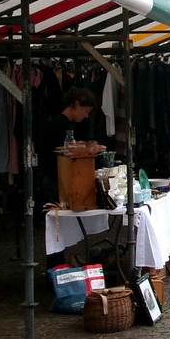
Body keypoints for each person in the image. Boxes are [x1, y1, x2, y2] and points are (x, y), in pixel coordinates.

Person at [38, 86, 96, 268]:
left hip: (56, 178)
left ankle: (57, 265)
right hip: (56, 180)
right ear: (76, 105)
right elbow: (61, 154)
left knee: (59, 226)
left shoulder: (64, 124)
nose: (86, 116)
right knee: (58, 225)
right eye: (85, 111)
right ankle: (56, 267)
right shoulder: (59, 124)